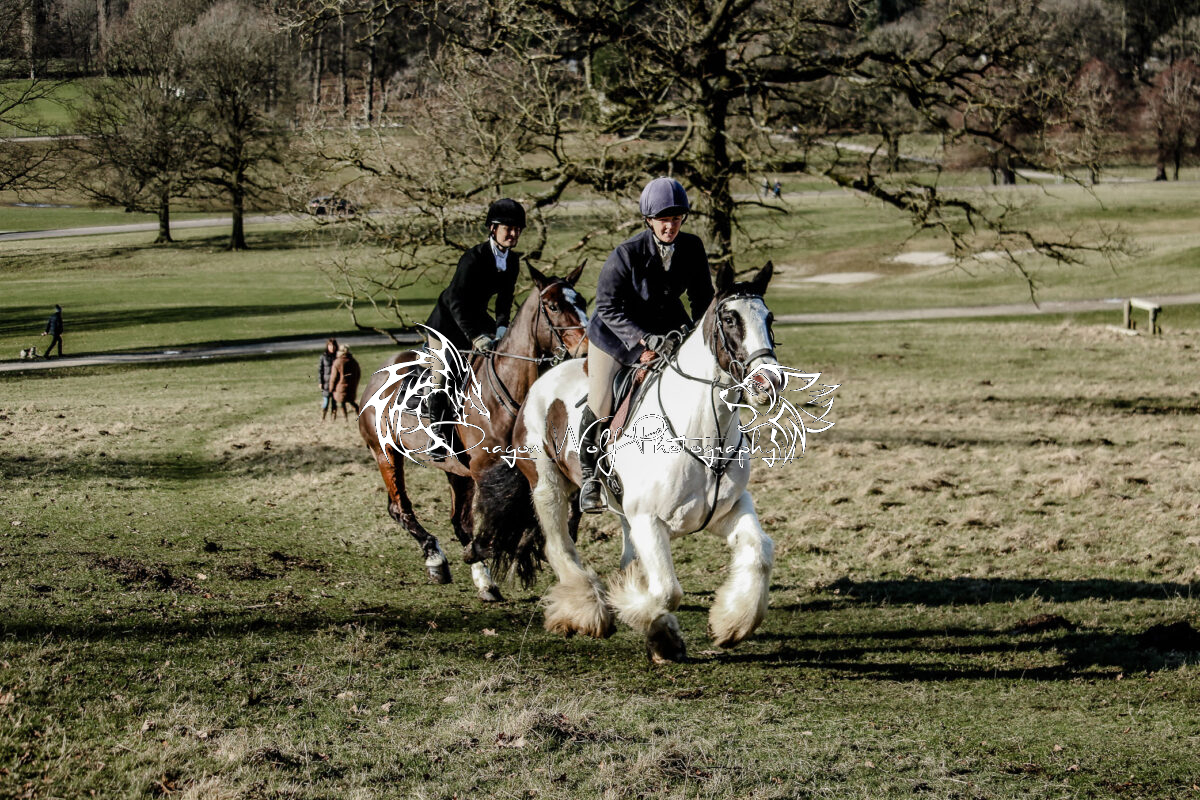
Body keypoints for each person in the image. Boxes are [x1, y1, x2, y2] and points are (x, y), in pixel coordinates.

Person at [579, 177, 715, 513]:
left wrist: (702, 334)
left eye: (676, 219)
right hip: (615, 334)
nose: (670, 226)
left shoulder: (692, 247)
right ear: (649, 220)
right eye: (663, 220)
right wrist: (642, 339)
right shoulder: (626, 254)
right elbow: (607, 307)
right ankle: (589, 477)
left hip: (666, 326)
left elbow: (702, 298)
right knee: (601, 400)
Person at [421, 198, 524, 457]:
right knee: (443, 375)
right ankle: (437, 437)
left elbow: (504, 301)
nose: (513, 234)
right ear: (493, 229)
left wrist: (502, 328)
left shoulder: (512, 261)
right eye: (508, 229)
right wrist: (476, 336)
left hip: (478, 319)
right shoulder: (472, 258)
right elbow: (456, 301)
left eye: (517, 229)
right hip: (446, 324)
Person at [328, 344, 361, 419]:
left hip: (340, 386)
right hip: (351, 385)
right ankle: (360, 414)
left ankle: (345, 418)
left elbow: (334, 377)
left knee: (342, 403)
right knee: (352, 402)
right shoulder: (353, 361)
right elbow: (358, 373)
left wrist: (331, 388)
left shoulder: (337, 362)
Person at [318, 338, 339, 421]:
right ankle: (323, 417)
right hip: (326, 383)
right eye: (330, 346)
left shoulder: (338, 357)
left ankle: (333, 418)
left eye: (333, 346)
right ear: (327, 346)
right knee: (326, 401)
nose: (332, 347)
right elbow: (320, 370)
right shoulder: (323, 357)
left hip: (336, 383)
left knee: (334, 401)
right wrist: (320, 382)